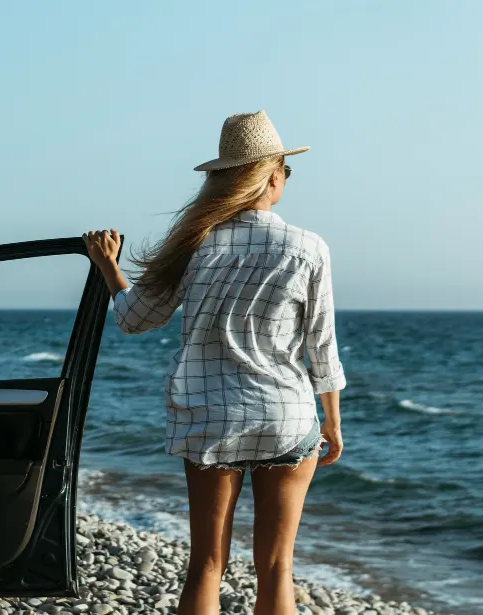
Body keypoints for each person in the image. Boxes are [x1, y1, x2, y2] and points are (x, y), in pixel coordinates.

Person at [83, 110, 346, 615]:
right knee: (276, 568)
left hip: (210, 417)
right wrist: (331, 421)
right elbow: (321, 346)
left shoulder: (194, 243)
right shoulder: (308, 247)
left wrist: (109, 268)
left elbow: (135, 318)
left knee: (206, 564)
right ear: (273, 176)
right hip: (287, 418)